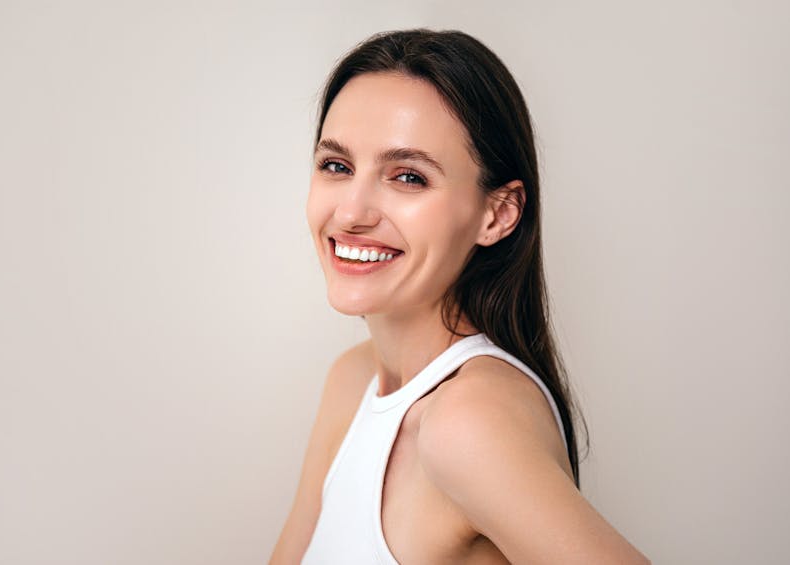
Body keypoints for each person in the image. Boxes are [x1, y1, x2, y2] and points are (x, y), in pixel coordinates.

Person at [270, 28, 650, 564]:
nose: (352, 213)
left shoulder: (466, 421)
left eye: (407, 176)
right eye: (337, 166)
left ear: (497, 214)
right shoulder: (352, 379)